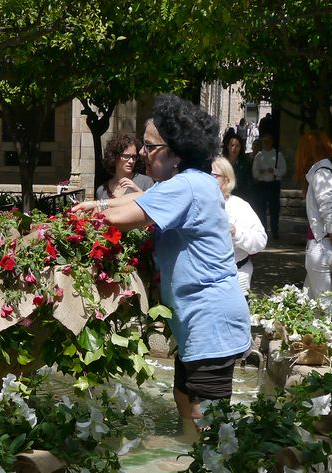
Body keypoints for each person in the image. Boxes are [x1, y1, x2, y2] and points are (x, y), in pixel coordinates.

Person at [73, 94, 250, 432]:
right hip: (197, 320)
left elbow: (126, 215)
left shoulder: (187, 185)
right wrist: (95, 208)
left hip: (209, 319)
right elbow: (141, 198)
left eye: (150, 146)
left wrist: (87, 218)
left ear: (176, 153)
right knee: (184, 397)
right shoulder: (187, 182)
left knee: (208, 418)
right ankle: (189, 464)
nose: (142, 153)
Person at [295, 130, 332, 299]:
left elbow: (330, 213)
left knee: (323, 303)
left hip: (323, 246)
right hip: (330, 245)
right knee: (308, 299)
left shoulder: (321, 175)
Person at [212, 156, 267, 294]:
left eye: (214, 175)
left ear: (227, 180)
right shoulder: (196, 205)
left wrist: (235, 232)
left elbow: (260, 241)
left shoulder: (238, 205)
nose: (208, 179)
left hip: (237, 277)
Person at [95, 133, 154, 201]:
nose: (131, 161)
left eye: (134, 157)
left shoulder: (146, 182)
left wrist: (137, 191)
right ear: (115, 157)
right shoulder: (101, 190)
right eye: (126, 156)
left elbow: (152, 207)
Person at [251, 132, 286, 239]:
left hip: (273, 184)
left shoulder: (277, 155)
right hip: (262, 185)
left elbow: (283, 170)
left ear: (272, 142)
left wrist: (274, 171)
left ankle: (275, 230)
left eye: (268, 141)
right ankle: (263, 230)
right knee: (261, 209)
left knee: (274, 209)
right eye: (264, 142)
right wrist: (259, 174)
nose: (266, 143)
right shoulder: (259, 155)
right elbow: (254, 171)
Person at [222, 132, 254, 204]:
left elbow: (249, 184)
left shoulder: (245, 164)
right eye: (232, 145)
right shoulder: (222, 163)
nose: (234, 148)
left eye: (237, 146)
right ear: (227, 146)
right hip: (225, 198)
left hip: (241, 198)